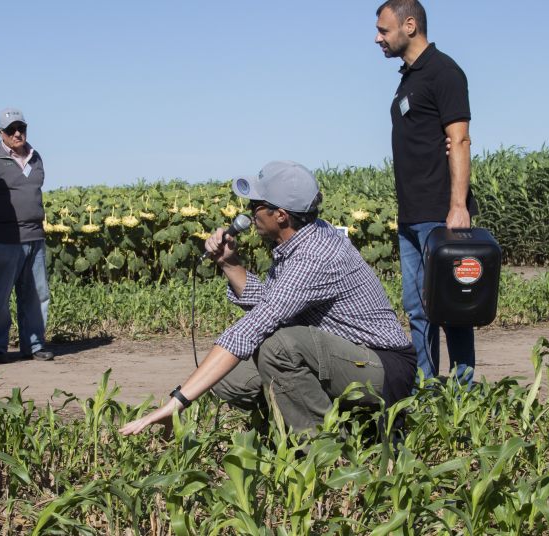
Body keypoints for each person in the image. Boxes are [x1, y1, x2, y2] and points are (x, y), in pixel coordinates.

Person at [120, 161, 418, 436]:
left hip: (382, 366)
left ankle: (323, 451)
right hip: (342, 356)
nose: (248, 213)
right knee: (228, 377)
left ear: (281, 215)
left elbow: (258, 323)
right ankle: (288, 425)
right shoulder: (299, 239)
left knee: (278, 347)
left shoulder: (314, 256)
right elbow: (273, 302)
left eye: (256, 205)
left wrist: (179, 401)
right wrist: (229, 263)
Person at [375, 0, 478, 385]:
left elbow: (460, 140)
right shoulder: (410, 77)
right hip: (411, 215)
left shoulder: (444, 73)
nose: (378, 38)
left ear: (410, 26)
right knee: (417, 308)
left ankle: (463, 392)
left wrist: (457, 206)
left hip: (440, 213)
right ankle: (426, 387)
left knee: (452, 307)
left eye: (384, 30)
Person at [0, 108, 53, 363]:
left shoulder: (36, 157)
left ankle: (34, 345)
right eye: (11, 130)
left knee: (36, 295)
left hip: (34, 236)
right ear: (1, 133)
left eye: (21, 128)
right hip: (2, 239)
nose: (17, 133)